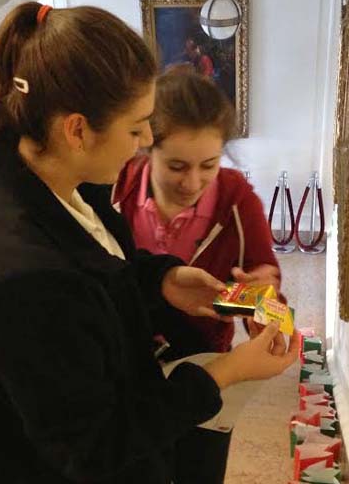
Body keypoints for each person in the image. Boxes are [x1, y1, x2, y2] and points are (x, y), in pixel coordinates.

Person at [0, 3, 298, 484]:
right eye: (136, 128)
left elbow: (106, 267)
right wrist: (226, 373)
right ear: (76, 130)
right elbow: (94, 449)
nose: (145, 141)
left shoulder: (71, 181)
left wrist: (164, 279)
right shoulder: (28, 274)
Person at [113, 68, 284, 483]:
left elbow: (269, 309)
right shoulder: (113, 188)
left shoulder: (236, 199)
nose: (193, 182)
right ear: (145, 148)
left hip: (205, 366)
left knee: (199, 469)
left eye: (208, 165)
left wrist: (264, 304)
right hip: (123, 363)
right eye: (176, 165)